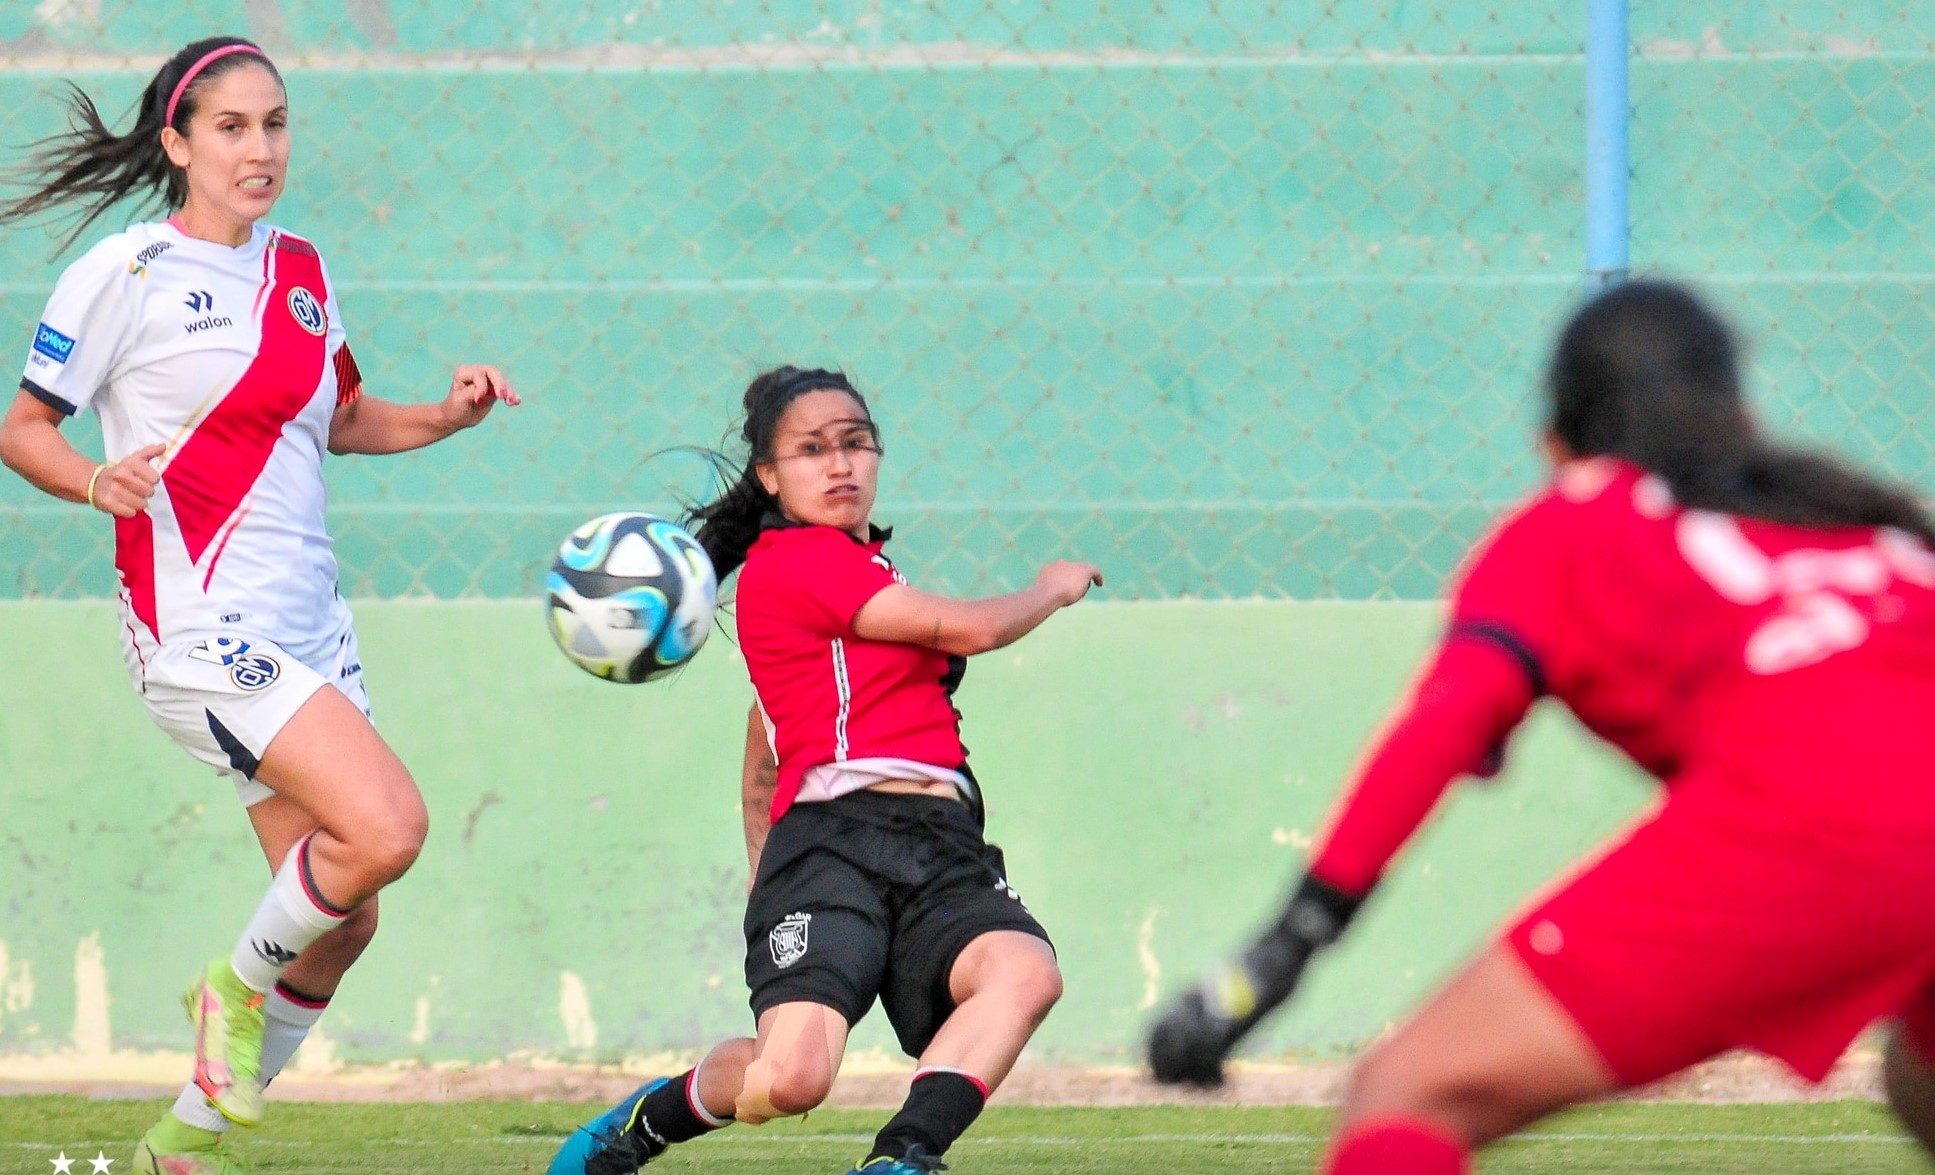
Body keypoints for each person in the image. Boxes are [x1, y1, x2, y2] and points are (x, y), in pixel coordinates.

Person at [1146, 280, 1935, 1172]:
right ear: (1739, 409)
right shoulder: (1861, 524)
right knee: (1923, 1085)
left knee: (1406, 1097)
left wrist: (1285, 946)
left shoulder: (1572, 524)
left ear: (1554, 436)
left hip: (1821, 822)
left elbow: (1443, 726)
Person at [0, 36, 518, 1175]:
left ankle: (181, 1148)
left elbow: (338, 417)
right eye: (232, 127)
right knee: (389, 828)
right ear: (179, 143)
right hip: (199, 632)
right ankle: (227, 990)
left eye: (276, 123)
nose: (262, 147)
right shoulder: (124, 273)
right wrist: (97, 480)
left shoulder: (303, 267)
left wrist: (444, 414)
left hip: (309, 629)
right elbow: (24, 429)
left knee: (348, 916)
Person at [550, 366, 1100, 1175]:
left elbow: (760, 753)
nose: (839, 464)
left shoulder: (865, 571)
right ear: (770, 476)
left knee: (1024, 970)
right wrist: (1050, 588)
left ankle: (901, 1157)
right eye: (810, 450)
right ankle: (639, 1124)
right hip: (833, 844)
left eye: (854, 443)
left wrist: (757, 868)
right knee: (790, 1079)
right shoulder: (798, 561)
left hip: (940, 840)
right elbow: (970, 628)